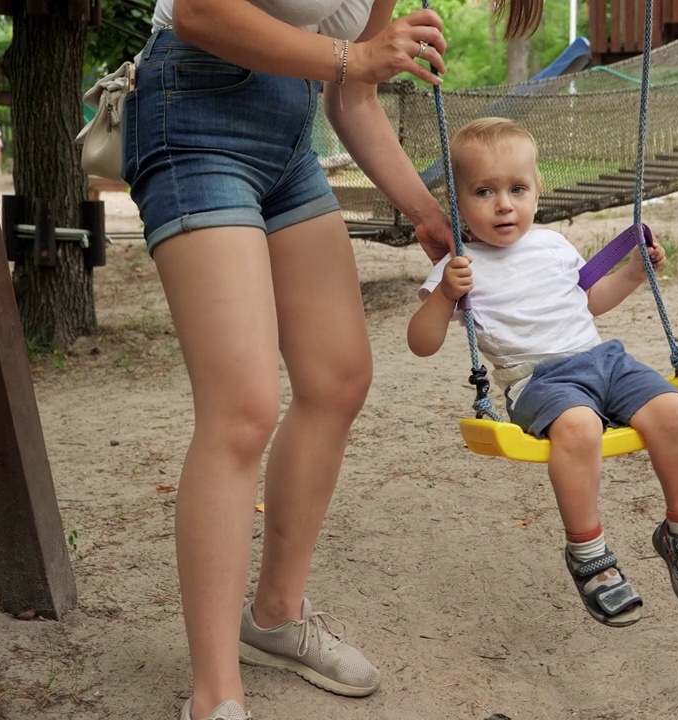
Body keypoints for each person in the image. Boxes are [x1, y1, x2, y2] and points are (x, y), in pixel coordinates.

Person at [122, 2, 547, 719]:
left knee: (338, 377)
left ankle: (276, 617)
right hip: (193, 112)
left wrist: (426, 212)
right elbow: (198, 12)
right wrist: (356, 59)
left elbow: (353, 94)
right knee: (243, 407)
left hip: (287, 136)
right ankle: (215, 694)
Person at [408, 118, 678, 629]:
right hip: (539, 380)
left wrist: (632, 273)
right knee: (580, 428)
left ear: (537, 192)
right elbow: (421, 344)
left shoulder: (553, 245)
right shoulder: (460, 266)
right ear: (457, 203)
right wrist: (445, 294)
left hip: (602, 359)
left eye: (517, 189)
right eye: (484, 192)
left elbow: (590, 303)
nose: (504, 204)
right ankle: (588, 552)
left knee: (671, 409)